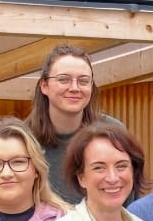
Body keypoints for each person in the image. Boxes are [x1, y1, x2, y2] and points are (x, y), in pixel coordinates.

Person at [26, 45, 126, 204]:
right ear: (44, 85)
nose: (74, 88)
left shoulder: (113, 132)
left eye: (83, 81)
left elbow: (128, 199)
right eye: (64, 79)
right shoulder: (23, 139)